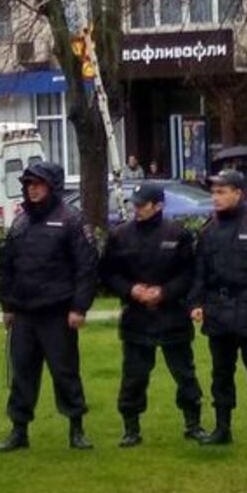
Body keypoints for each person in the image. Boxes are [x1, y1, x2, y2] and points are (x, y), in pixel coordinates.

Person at [0, 160, 98, 451]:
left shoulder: (72, 219)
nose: (32, 189)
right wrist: (7, 306)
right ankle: (19, 430)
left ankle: (76, 429)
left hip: (58, 312)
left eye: (38, 184)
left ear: (52, 186)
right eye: (28, 184)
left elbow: (86, 267)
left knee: (65, 372)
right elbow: (7, 266)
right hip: (24, 312)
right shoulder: (20, 221)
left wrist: (79, 307)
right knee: (22, 373)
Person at [101, 182, 204, 446]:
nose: (136, 209)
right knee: (134, 375)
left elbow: (189, 273)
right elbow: (108, 273)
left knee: (184, 373)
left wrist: (165, 292)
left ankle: (193, 423)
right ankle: (131, 428)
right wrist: (131, 290)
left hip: (172, 313)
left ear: (158, 206)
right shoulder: (120, 235)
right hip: (136, 315)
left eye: (142, 205)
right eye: (134, 204)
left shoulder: (178, 234)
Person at [189, 169, 247, 448]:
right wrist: (196, 302)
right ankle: (222, 427)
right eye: (213, 192)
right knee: (221, 372)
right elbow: (200, 272)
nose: (215, 197)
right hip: (218, 309)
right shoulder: (208, 230)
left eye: (221, 192)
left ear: (238, 193)